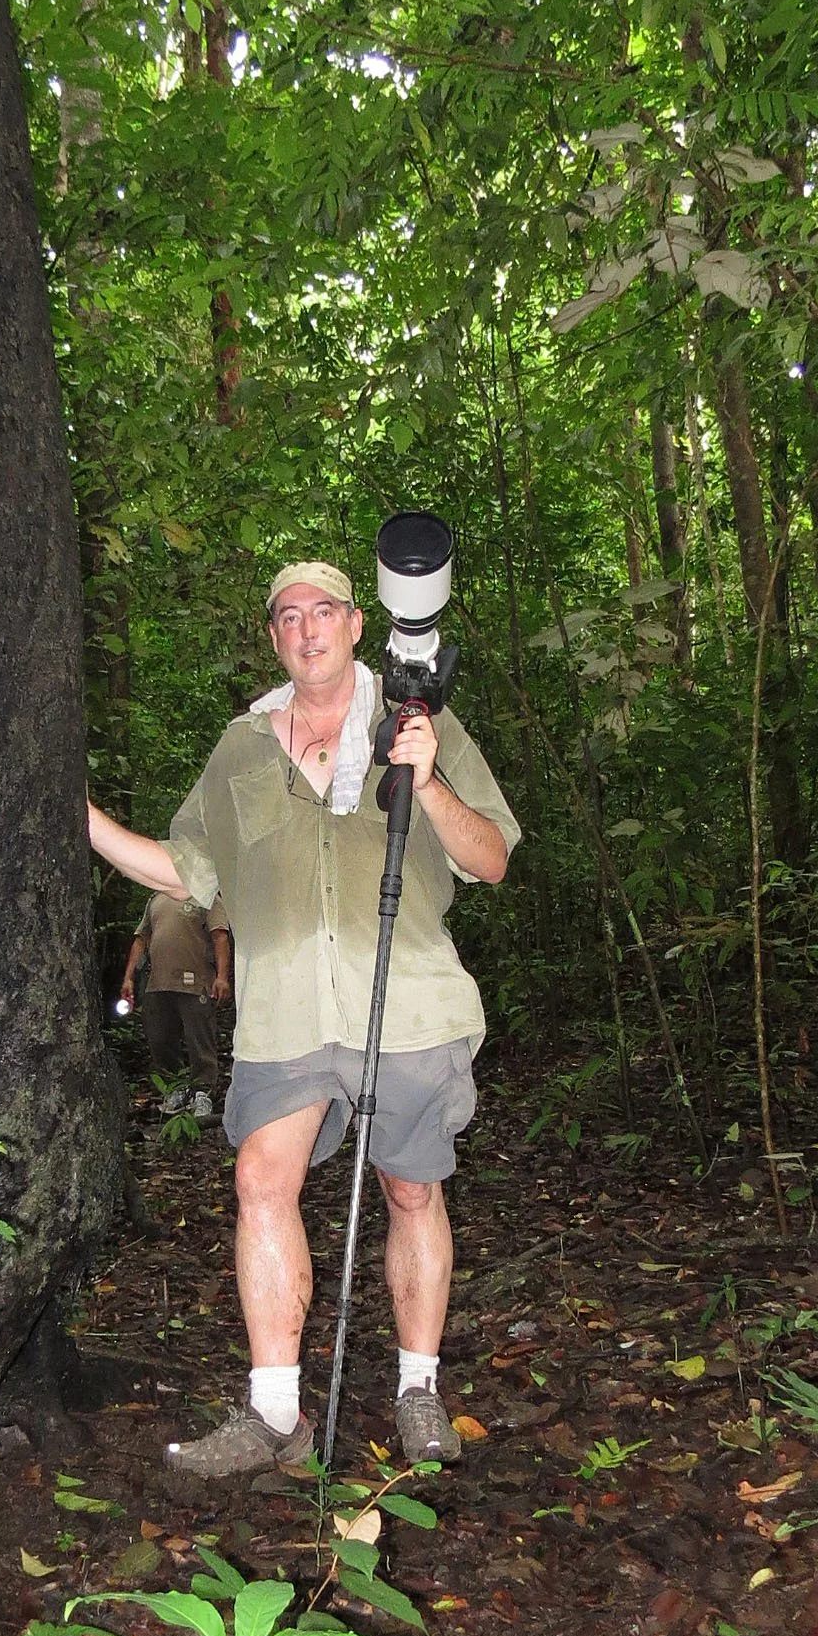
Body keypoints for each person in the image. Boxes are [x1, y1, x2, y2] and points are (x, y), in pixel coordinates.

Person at [87, 558, 520, 1477]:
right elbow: (184, 869)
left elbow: (490, 859)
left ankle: (418, 1391)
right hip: (284, 1009)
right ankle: (274, 1411)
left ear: (357, 624)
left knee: (410, 1190)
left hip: (405, 1000)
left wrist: (427, 780)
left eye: (323, 610)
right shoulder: (239, 747)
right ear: (273, 637)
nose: (306, 628)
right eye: (287, 616)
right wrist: (76, 815)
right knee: (259, 1180)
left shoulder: (421, 720)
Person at [119, 892, 232, 1121]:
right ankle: (175, 1089)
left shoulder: (206, 896)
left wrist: (222, 977)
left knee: (199, 1039)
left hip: (196, 982)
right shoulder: (156, 899)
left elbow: (219, 936)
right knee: (159, 1039)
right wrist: (129, 977)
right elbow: (141, 939)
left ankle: (203, 1092)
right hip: (158, 983)